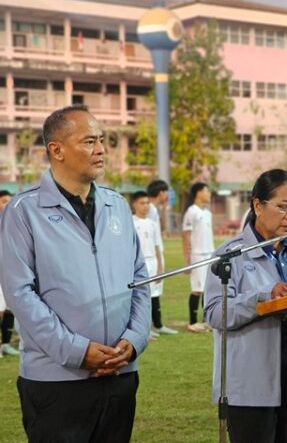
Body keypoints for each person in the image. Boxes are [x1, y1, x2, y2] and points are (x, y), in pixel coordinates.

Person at [0, 104, 151, 442]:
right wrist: (77, 352)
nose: (101, 150)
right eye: (89, 141)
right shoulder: (23, 212)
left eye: (102, 140)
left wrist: (134, 340)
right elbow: (20, 294)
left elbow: (140, 280)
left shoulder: (118, 206)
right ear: (57, 150)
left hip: (121, 374)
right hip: (57, 382)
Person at [204, 169, 287, 443]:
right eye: (283, 206)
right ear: (258, 206)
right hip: (251, 387)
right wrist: (261, 298)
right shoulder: (230, 254)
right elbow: (214, 313)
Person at [131, 190, 176, 337]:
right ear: (134, 204)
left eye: (147, 203)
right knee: (141, 296)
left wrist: (160, 267)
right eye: (142, 203)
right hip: (138, 263)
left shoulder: (152, 224)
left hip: (153, 262)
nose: (145, 206)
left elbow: (157, 246)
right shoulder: (130, 222)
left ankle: (158, 325)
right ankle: (144, 328)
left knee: (155, 294)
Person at [182, 182, 215, 333]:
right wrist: (187, 259)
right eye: (207, 191)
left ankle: (206, 320)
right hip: (197, 255)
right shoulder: (191, 212)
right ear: (199, 193)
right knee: (197, 289)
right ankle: (192, 322)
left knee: (207, 289)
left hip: (210, 255)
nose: (209, 194)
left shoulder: (208, 213)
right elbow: (186, 236)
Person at [0, 190, 18, 357]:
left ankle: (5, 344)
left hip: (10, 271)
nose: (8, 205)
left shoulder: (14, 222)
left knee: (10, 309)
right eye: (4, 201)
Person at [147, 179, 169, 297]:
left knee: (155, 291)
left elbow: (163, 228)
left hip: (156, 253)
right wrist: (158, 262)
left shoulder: (154, 209)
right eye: (166, 192)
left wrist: (164, 209)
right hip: (152, 255)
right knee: (153, 293)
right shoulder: (150, 209)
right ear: (161, 193)